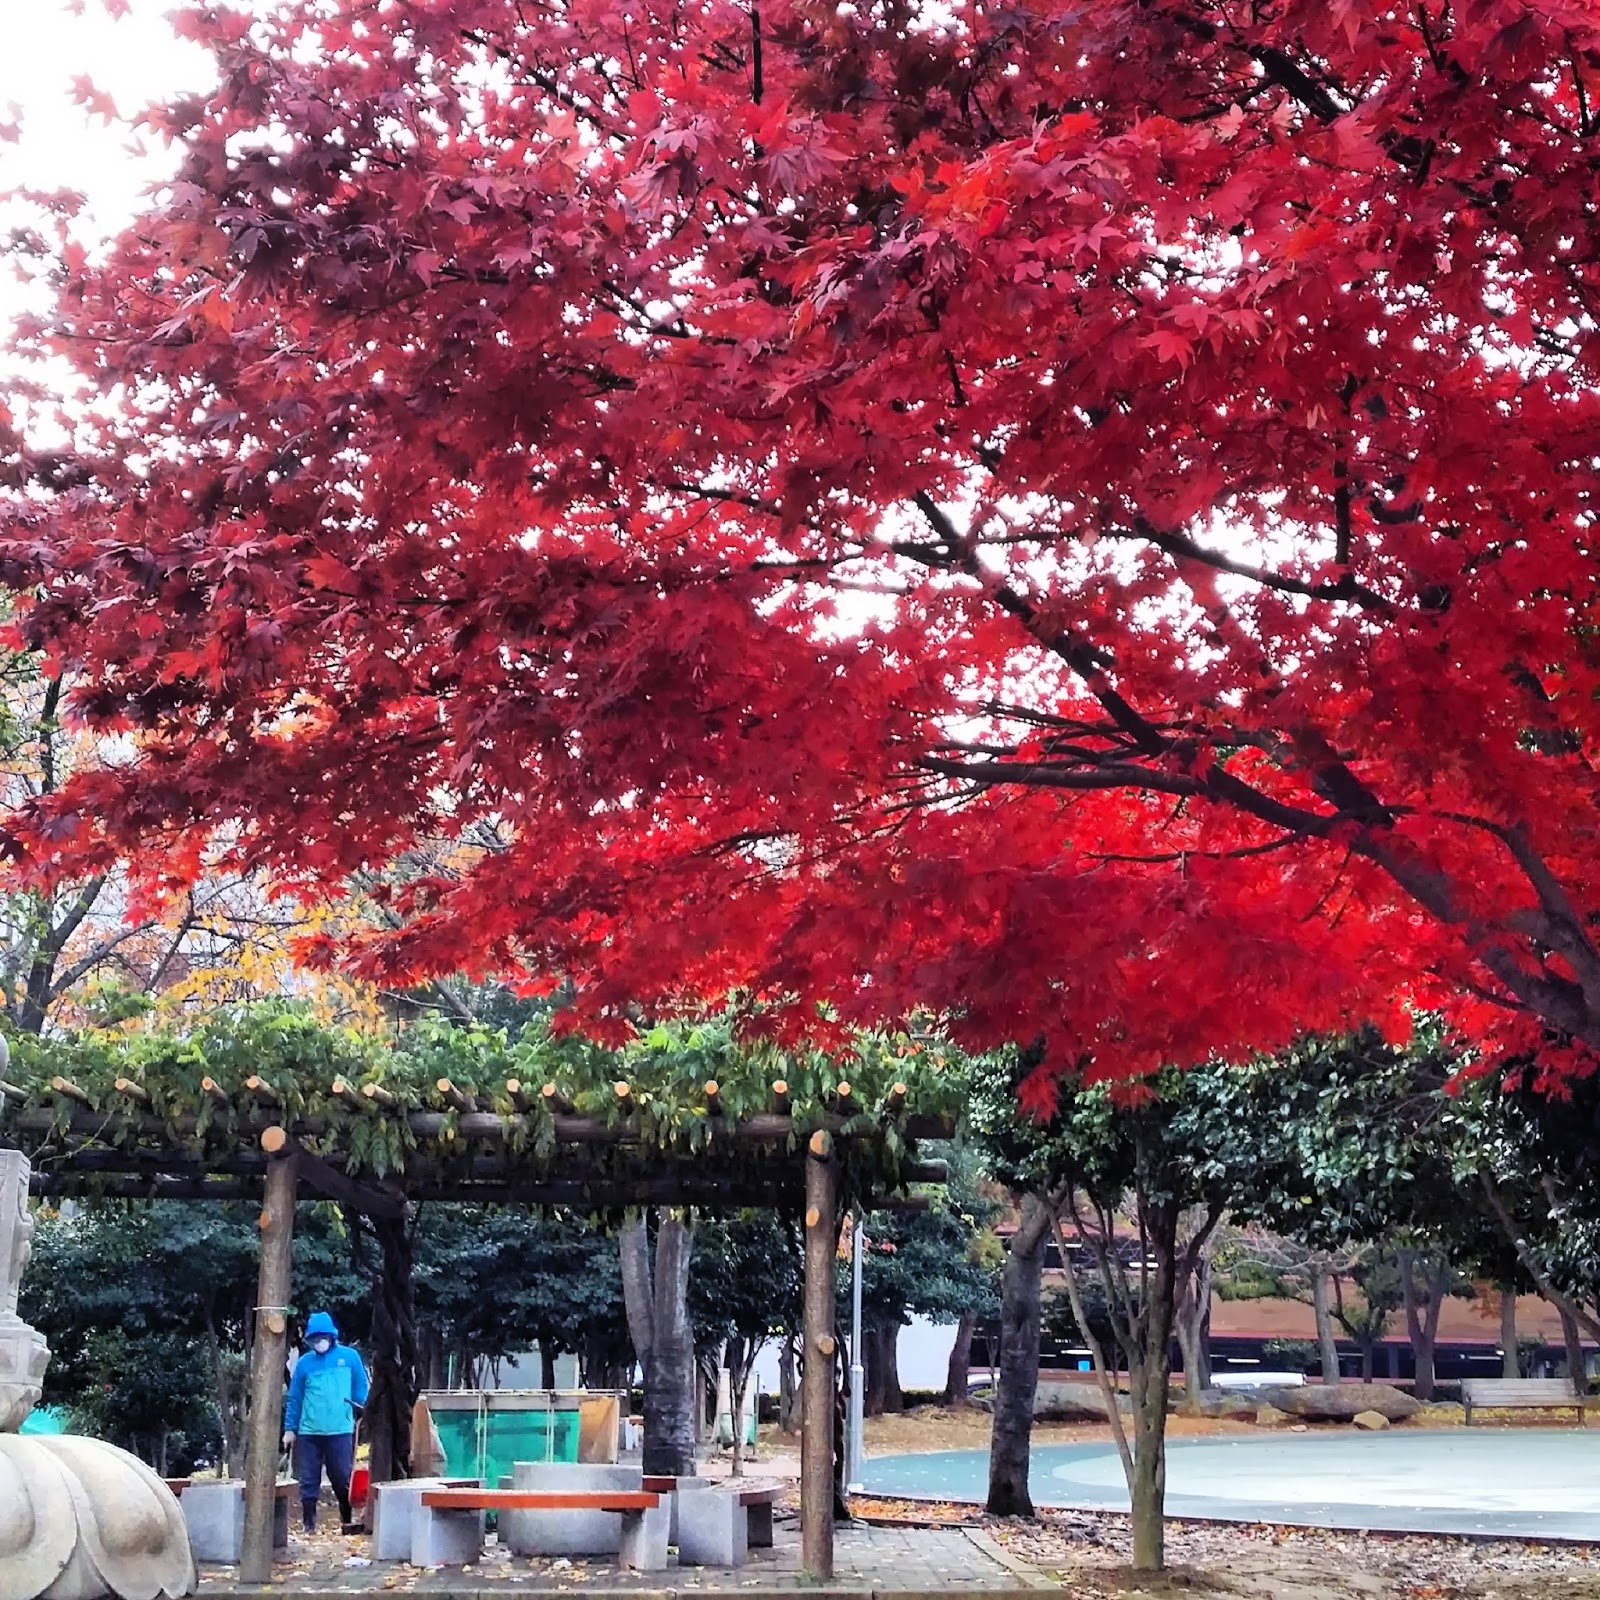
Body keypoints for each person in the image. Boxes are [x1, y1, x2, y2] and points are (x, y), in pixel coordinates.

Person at [282, 1310, 369, 1534]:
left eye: (322, 1337)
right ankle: (308, 1523)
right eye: (314, 1338)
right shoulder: (305, 1364)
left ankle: (346, 1517)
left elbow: (360, 1387)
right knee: (308, 1479)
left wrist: (361, 1409)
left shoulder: (350, 1358)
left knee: (341, 1476)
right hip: (309, 1432)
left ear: (331, 1336)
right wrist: (290, 1428)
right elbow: (295, 1397)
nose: (319, 1342)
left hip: (340, 1430)